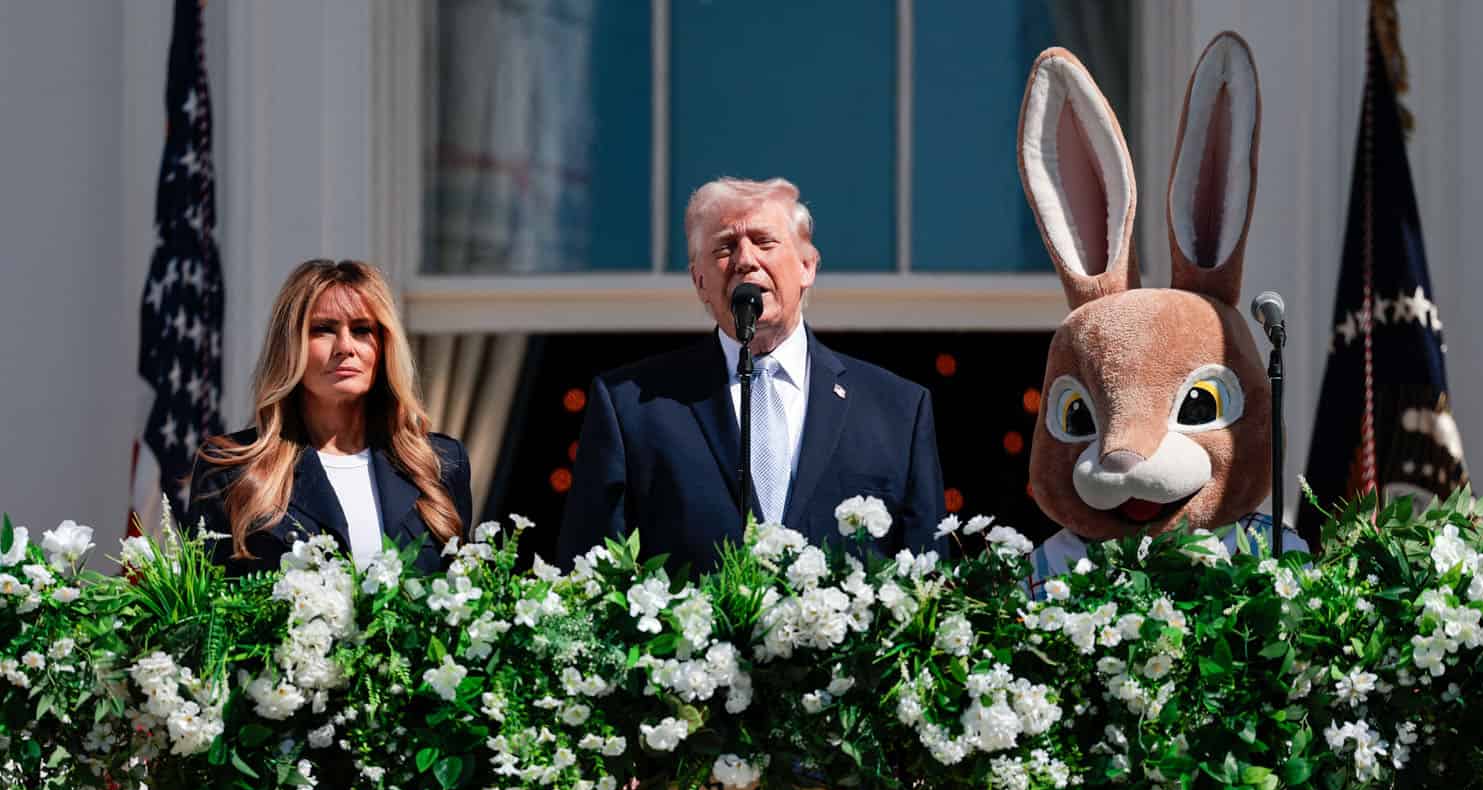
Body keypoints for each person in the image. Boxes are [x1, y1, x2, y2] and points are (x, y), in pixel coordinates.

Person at [558, 177, 946, 574]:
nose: (744, 259)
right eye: (725, 247)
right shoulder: (631, 406)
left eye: (764, 242)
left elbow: (928, 586)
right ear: (699, 281)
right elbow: (588, 578)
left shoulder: (896, 409)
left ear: (807, 266)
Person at [190, 259, 472, 576]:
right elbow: (209, 614)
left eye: (362, 330)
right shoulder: (231, 469)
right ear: (289, 346)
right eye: (323, 330)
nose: (345, 347)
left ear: (383, 346)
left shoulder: (439, 465)